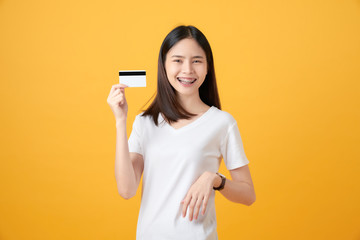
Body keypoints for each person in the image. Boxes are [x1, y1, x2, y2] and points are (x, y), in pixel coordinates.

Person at [107, 25, 256, 240]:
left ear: (207, 68)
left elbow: (248, 195)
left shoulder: (222, 123)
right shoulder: (144, 123)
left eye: (197, 61)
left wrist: (214, 179)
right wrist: (121, 121)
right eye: (177, 60)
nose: (187, 70)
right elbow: (127, 190)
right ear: (164, 66)